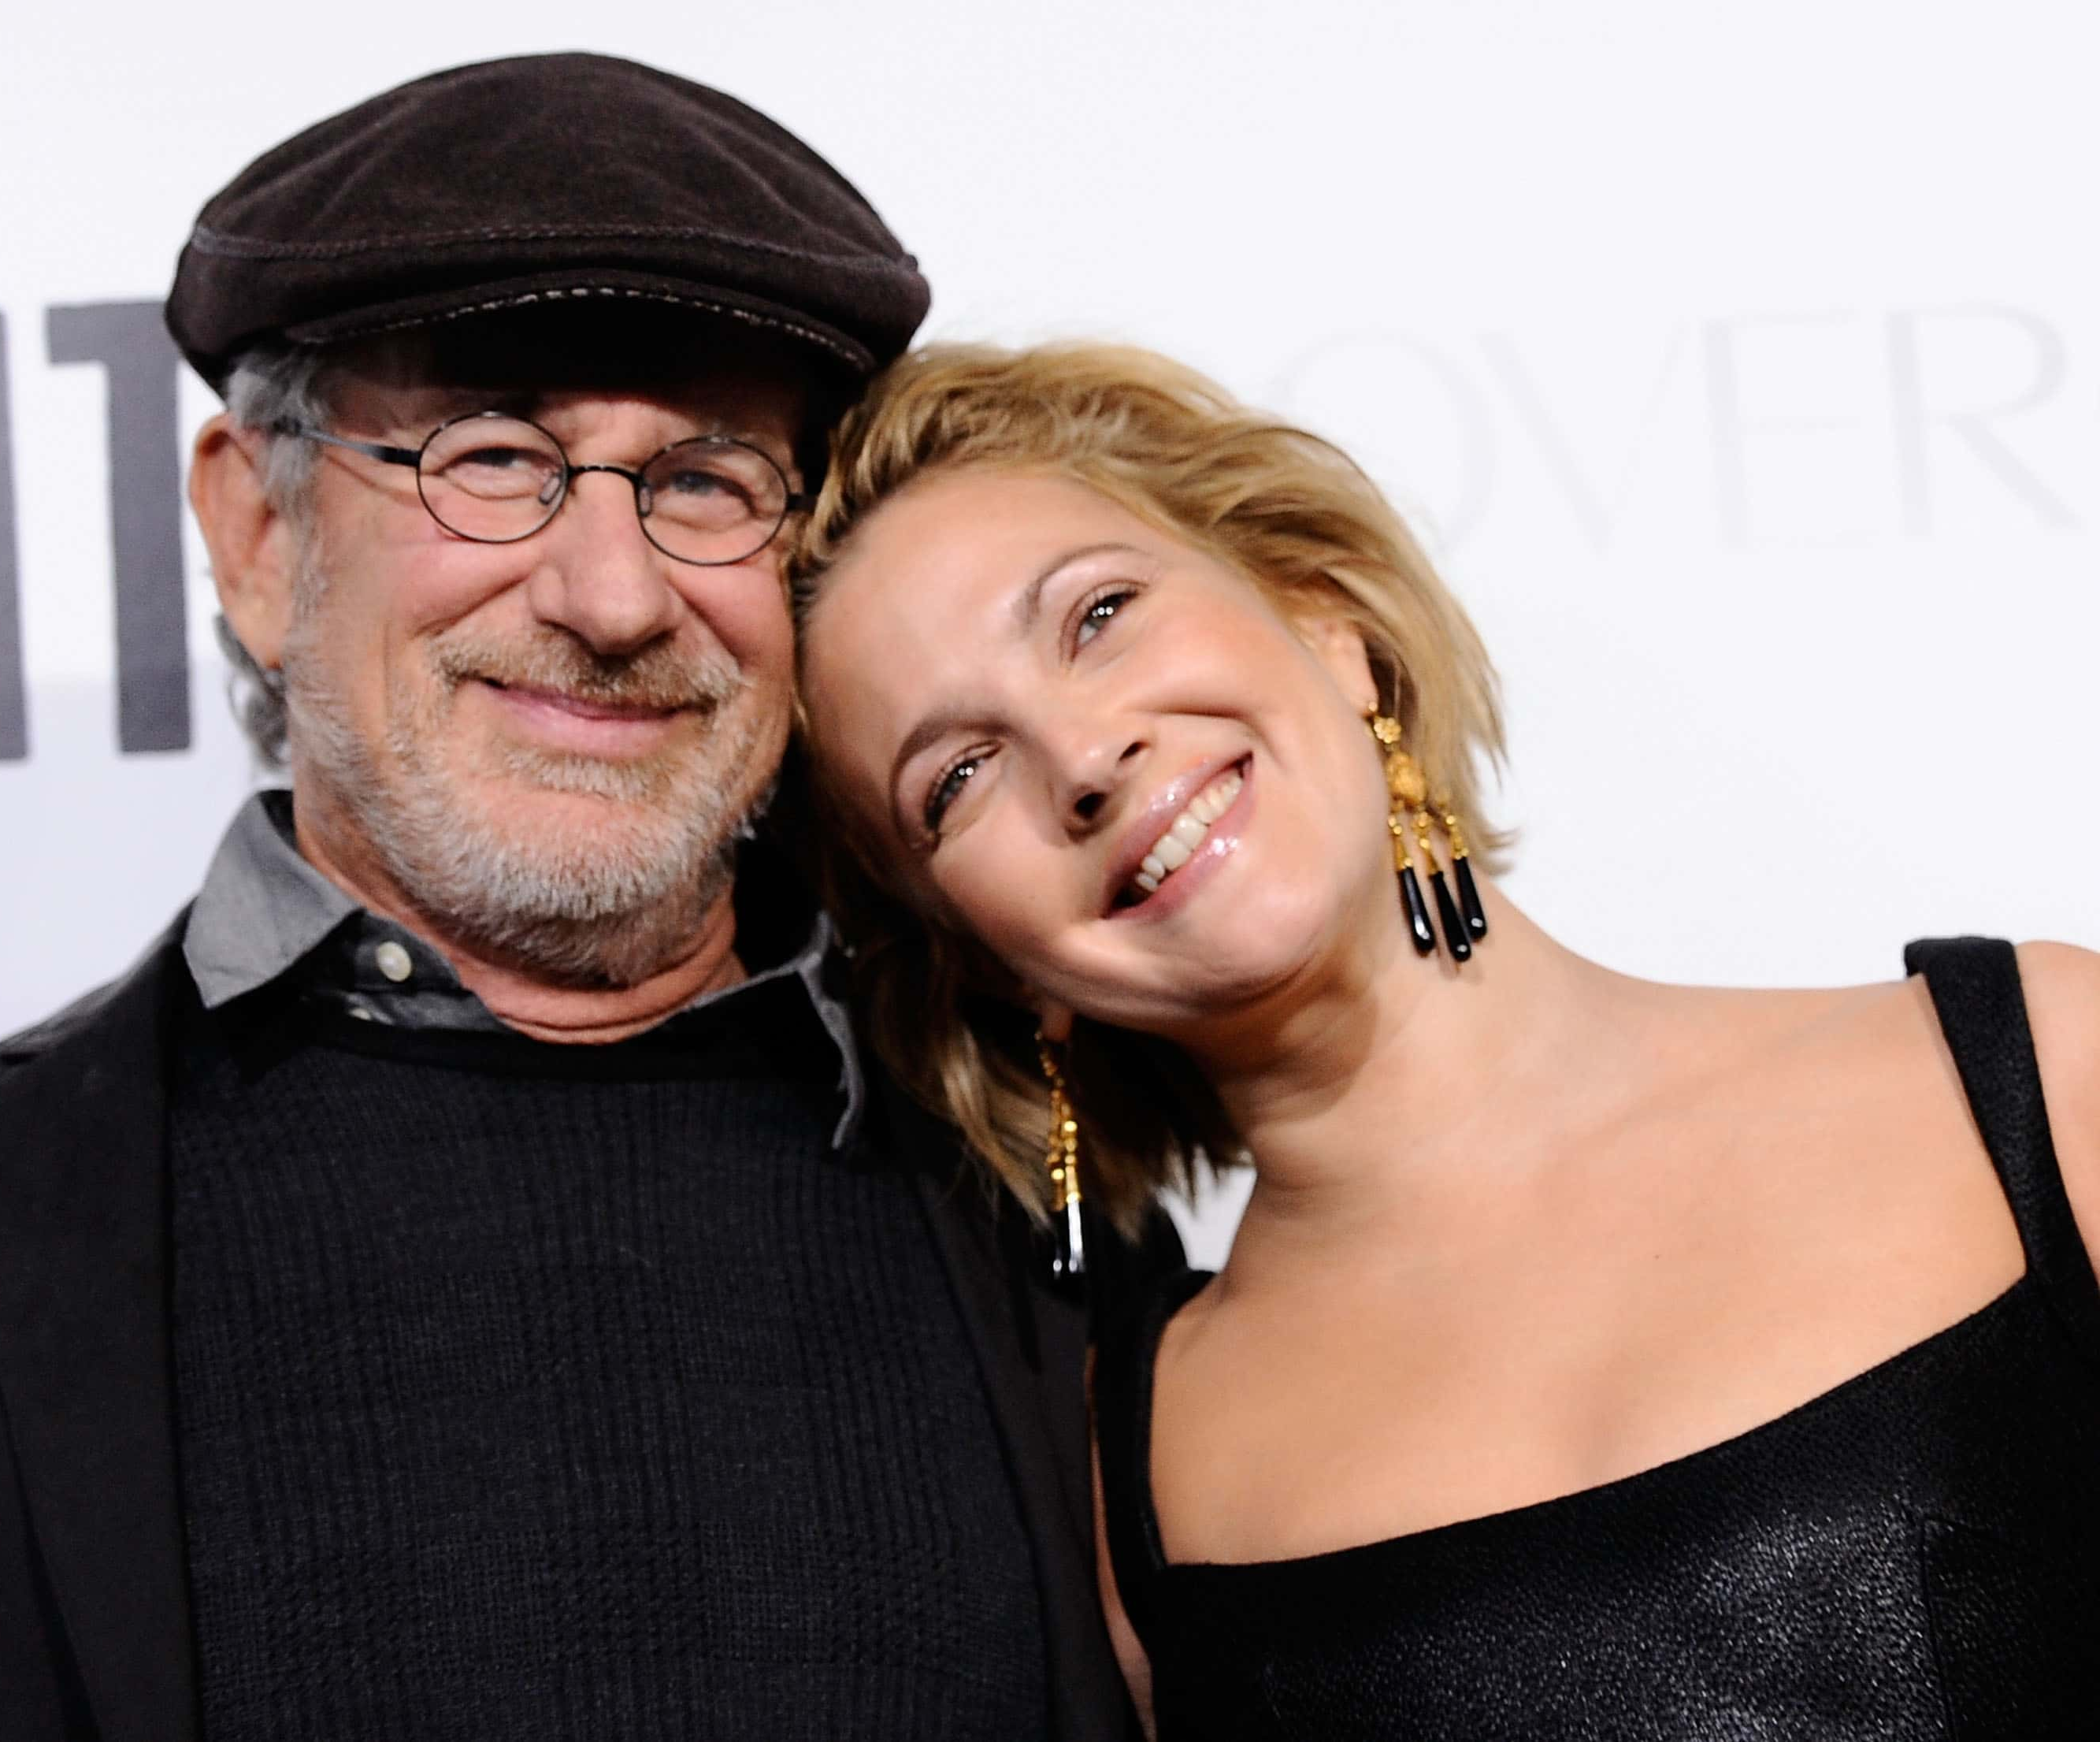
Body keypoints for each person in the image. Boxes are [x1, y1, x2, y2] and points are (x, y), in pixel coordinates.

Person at [0, 65, 1176, 1742]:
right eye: (492, 457)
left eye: (706, 479)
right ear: (258, 533)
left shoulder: (1046, 1203)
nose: (614, 594)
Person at [789, 341, 2100, 1738]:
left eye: (1099, 612)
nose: (1084, 755)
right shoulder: (1124, 1482)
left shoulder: (2036, 1073)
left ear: (1326, 619)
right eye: (961, 776)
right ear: (987, 969)